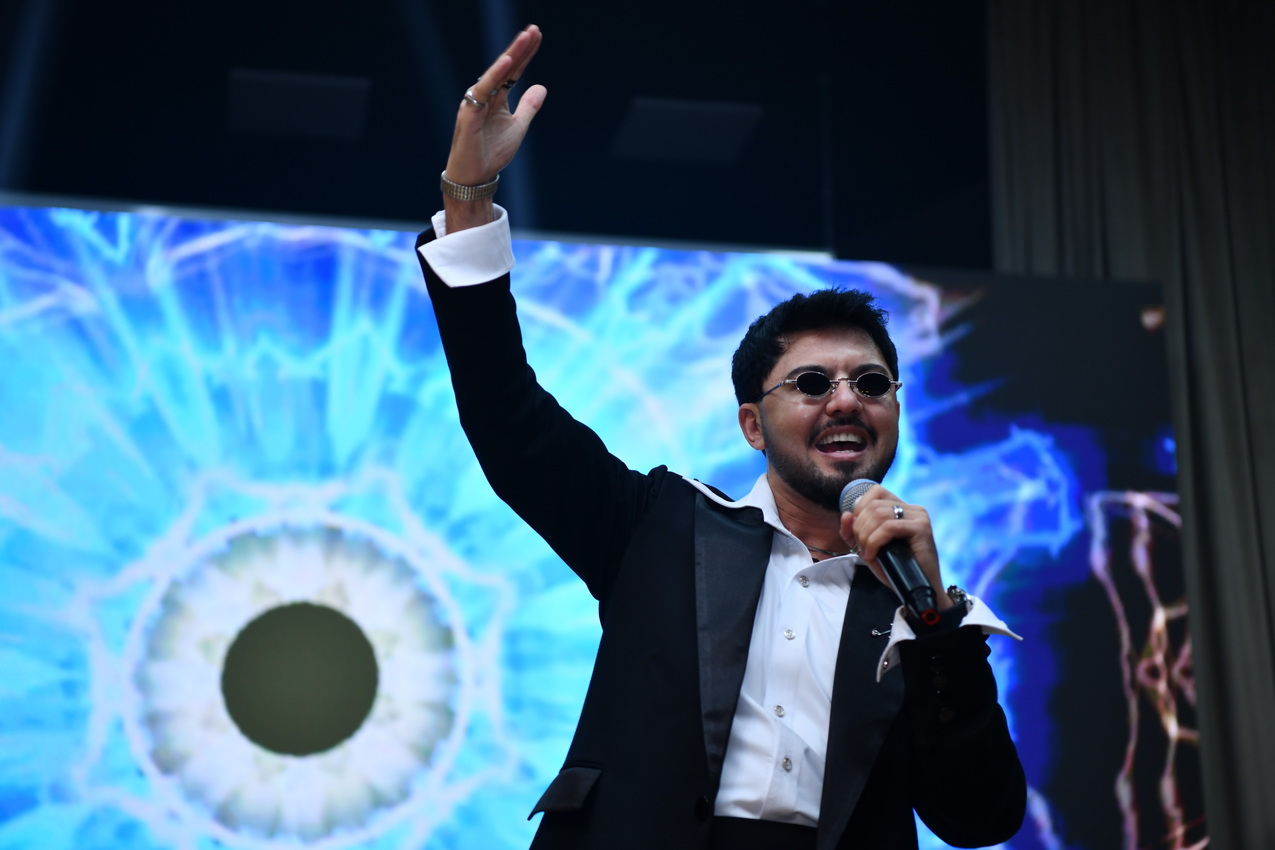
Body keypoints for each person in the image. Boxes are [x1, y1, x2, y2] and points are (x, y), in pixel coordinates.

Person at [415, 25, 1026, 850]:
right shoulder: (658, 527)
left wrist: (936, 625)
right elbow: (507, 416)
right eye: (811, 384)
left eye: (870, 383)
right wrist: (467, 198)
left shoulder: (916, 606)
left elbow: (979, 818)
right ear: (751, 424)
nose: (845, 401)